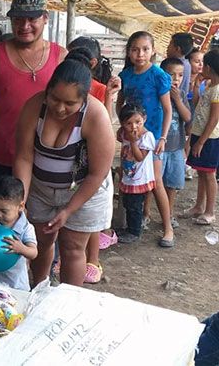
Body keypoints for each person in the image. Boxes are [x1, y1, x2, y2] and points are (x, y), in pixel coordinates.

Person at [14, 57, 115, 286]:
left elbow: (97, 174)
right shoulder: (33, 106)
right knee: (41, 240)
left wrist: (69, 210)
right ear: (47, 90)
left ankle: (68, 302)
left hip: (85, 189)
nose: (60, 108)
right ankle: (39, 289)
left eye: (70, 103)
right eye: (55, 99)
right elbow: (24, 156)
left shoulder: (96, 116)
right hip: (40, 188)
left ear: (84, 98)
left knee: (72, 248)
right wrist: (20, 200)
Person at [0, 0, 66, 223]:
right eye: (18, 19)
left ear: (45, 18)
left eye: (32, 18)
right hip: (2, 152)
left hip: (45, 157)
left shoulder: (60, 56)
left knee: (39, 222)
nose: (24, 25)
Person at [60, 46, 120, 284]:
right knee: (69, 226)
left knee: (89, 221)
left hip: (92, 165)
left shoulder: (97, 89)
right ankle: (66, 261)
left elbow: (105, 124)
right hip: (70, 169)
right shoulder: (61, 90)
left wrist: (106, 97)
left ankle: (92, 261)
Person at [116, 31, 174, 247]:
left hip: (152, 137)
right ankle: (139, 218)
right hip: (130, 135)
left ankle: (168, 228)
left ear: (153, 51)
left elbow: (167, 110)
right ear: (129, 52)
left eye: (145, 49)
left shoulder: (159, 76)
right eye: (135, 49)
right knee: (132, 175)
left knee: (156, 181)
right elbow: (120, 105)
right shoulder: (126, 75)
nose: (140, 54)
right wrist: (123, 129)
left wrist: (163, 138)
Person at [185, 49, 219, 225]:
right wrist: (197, 86)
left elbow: (213, 119)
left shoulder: (217, 90)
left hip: (210, 138)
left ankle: (209, 211)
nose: (200, 68)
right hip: (200, 134)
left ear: (208, 67)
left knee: (209, 174)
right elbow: (198, 106)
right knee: (201, 172)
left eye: (202, 64)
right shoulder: (210, 86)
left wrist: (201, 142)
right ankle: (199, 206)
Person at [116, 104, 156, 243]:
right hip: (129, 176)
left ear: (144, 119)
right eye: (129, 123)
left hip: (139, 179)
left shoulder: (147, 137)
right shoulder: (125, 133)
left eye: (137, 122)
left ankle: (134, 231)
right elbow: (118, 136)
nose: (134, 127)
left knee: (135, 206)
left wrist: (133, 142)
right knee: (128, 203)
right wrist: (124, 131)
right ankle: (129, 228)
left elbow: (139, 157)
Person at [158, 58, 191, 229]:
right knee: (155, 184)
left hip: (176, 147)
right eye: (171, 75)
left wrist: (177, 100)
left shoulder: (182, 94)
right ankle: (146, 214)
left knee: (172, 184)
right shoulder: (158, 94)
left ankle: (169, 215)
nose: (176, 79)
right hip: (160, 146)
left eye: (180, 75)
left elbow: (187, 118)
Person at [185, 48, 205, 180]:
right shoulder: (181, 77)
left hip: (197, 116)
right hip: (182, 114)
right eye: (197, 61)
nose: (200, 65)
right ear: (188, 62)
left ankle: (186, 165)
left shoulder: (206, 80)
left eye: (202, 61)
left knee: (190, 138)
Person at [166, 33, 193, 99]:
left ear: (177, 49)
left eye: (170, 44)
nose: (167, 47)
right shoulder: (187, 64)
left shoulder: (176, 66)